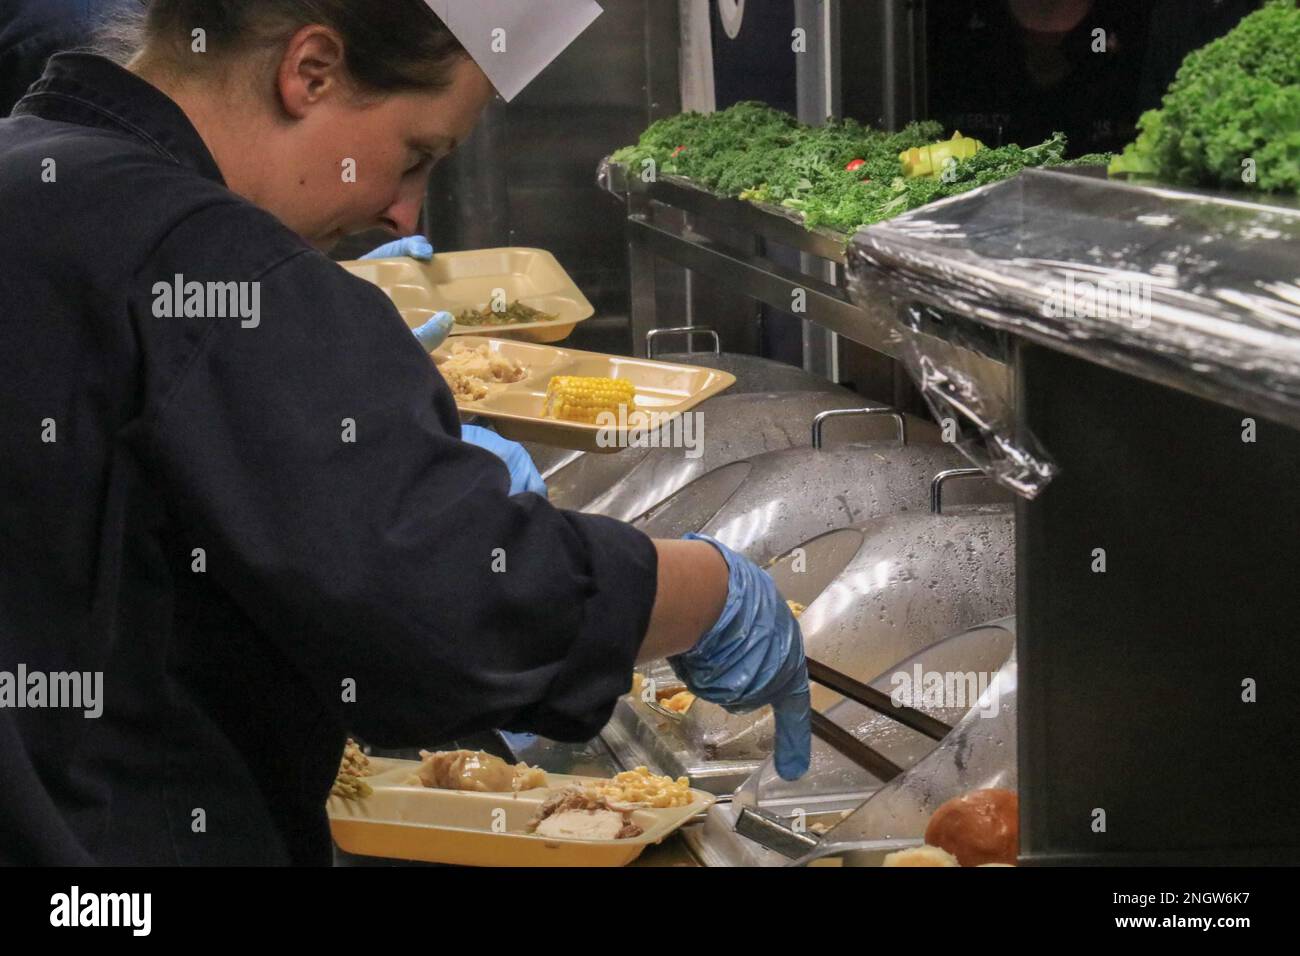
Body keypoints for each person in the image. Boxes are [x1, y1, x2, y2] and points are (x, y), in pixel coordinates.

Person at [0, 0, 809, 865]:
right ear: (310, 71)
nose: (406, 216)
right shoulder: (204, 255)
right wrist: (706, 592)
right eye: (417, 157)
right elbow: (446, 598)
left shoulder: (31, 164)